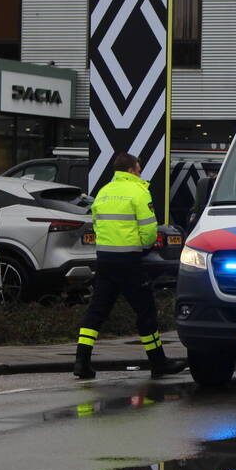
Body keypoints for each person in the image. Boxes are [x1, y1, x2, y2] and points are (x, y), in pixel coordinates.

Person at [73, 152, 186, 379]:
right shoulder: (138, 192)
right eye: (139, 168)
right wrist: (144, 247)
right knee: (146, 311)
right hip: (129, 262)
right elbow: (148, 230)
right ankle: (158, 362)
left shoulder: (103, 193)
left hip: (105, 261)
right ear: (133, 169)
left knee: (97, 311)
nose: (140, 172)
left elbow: (97, 225)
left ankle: (81, 362)